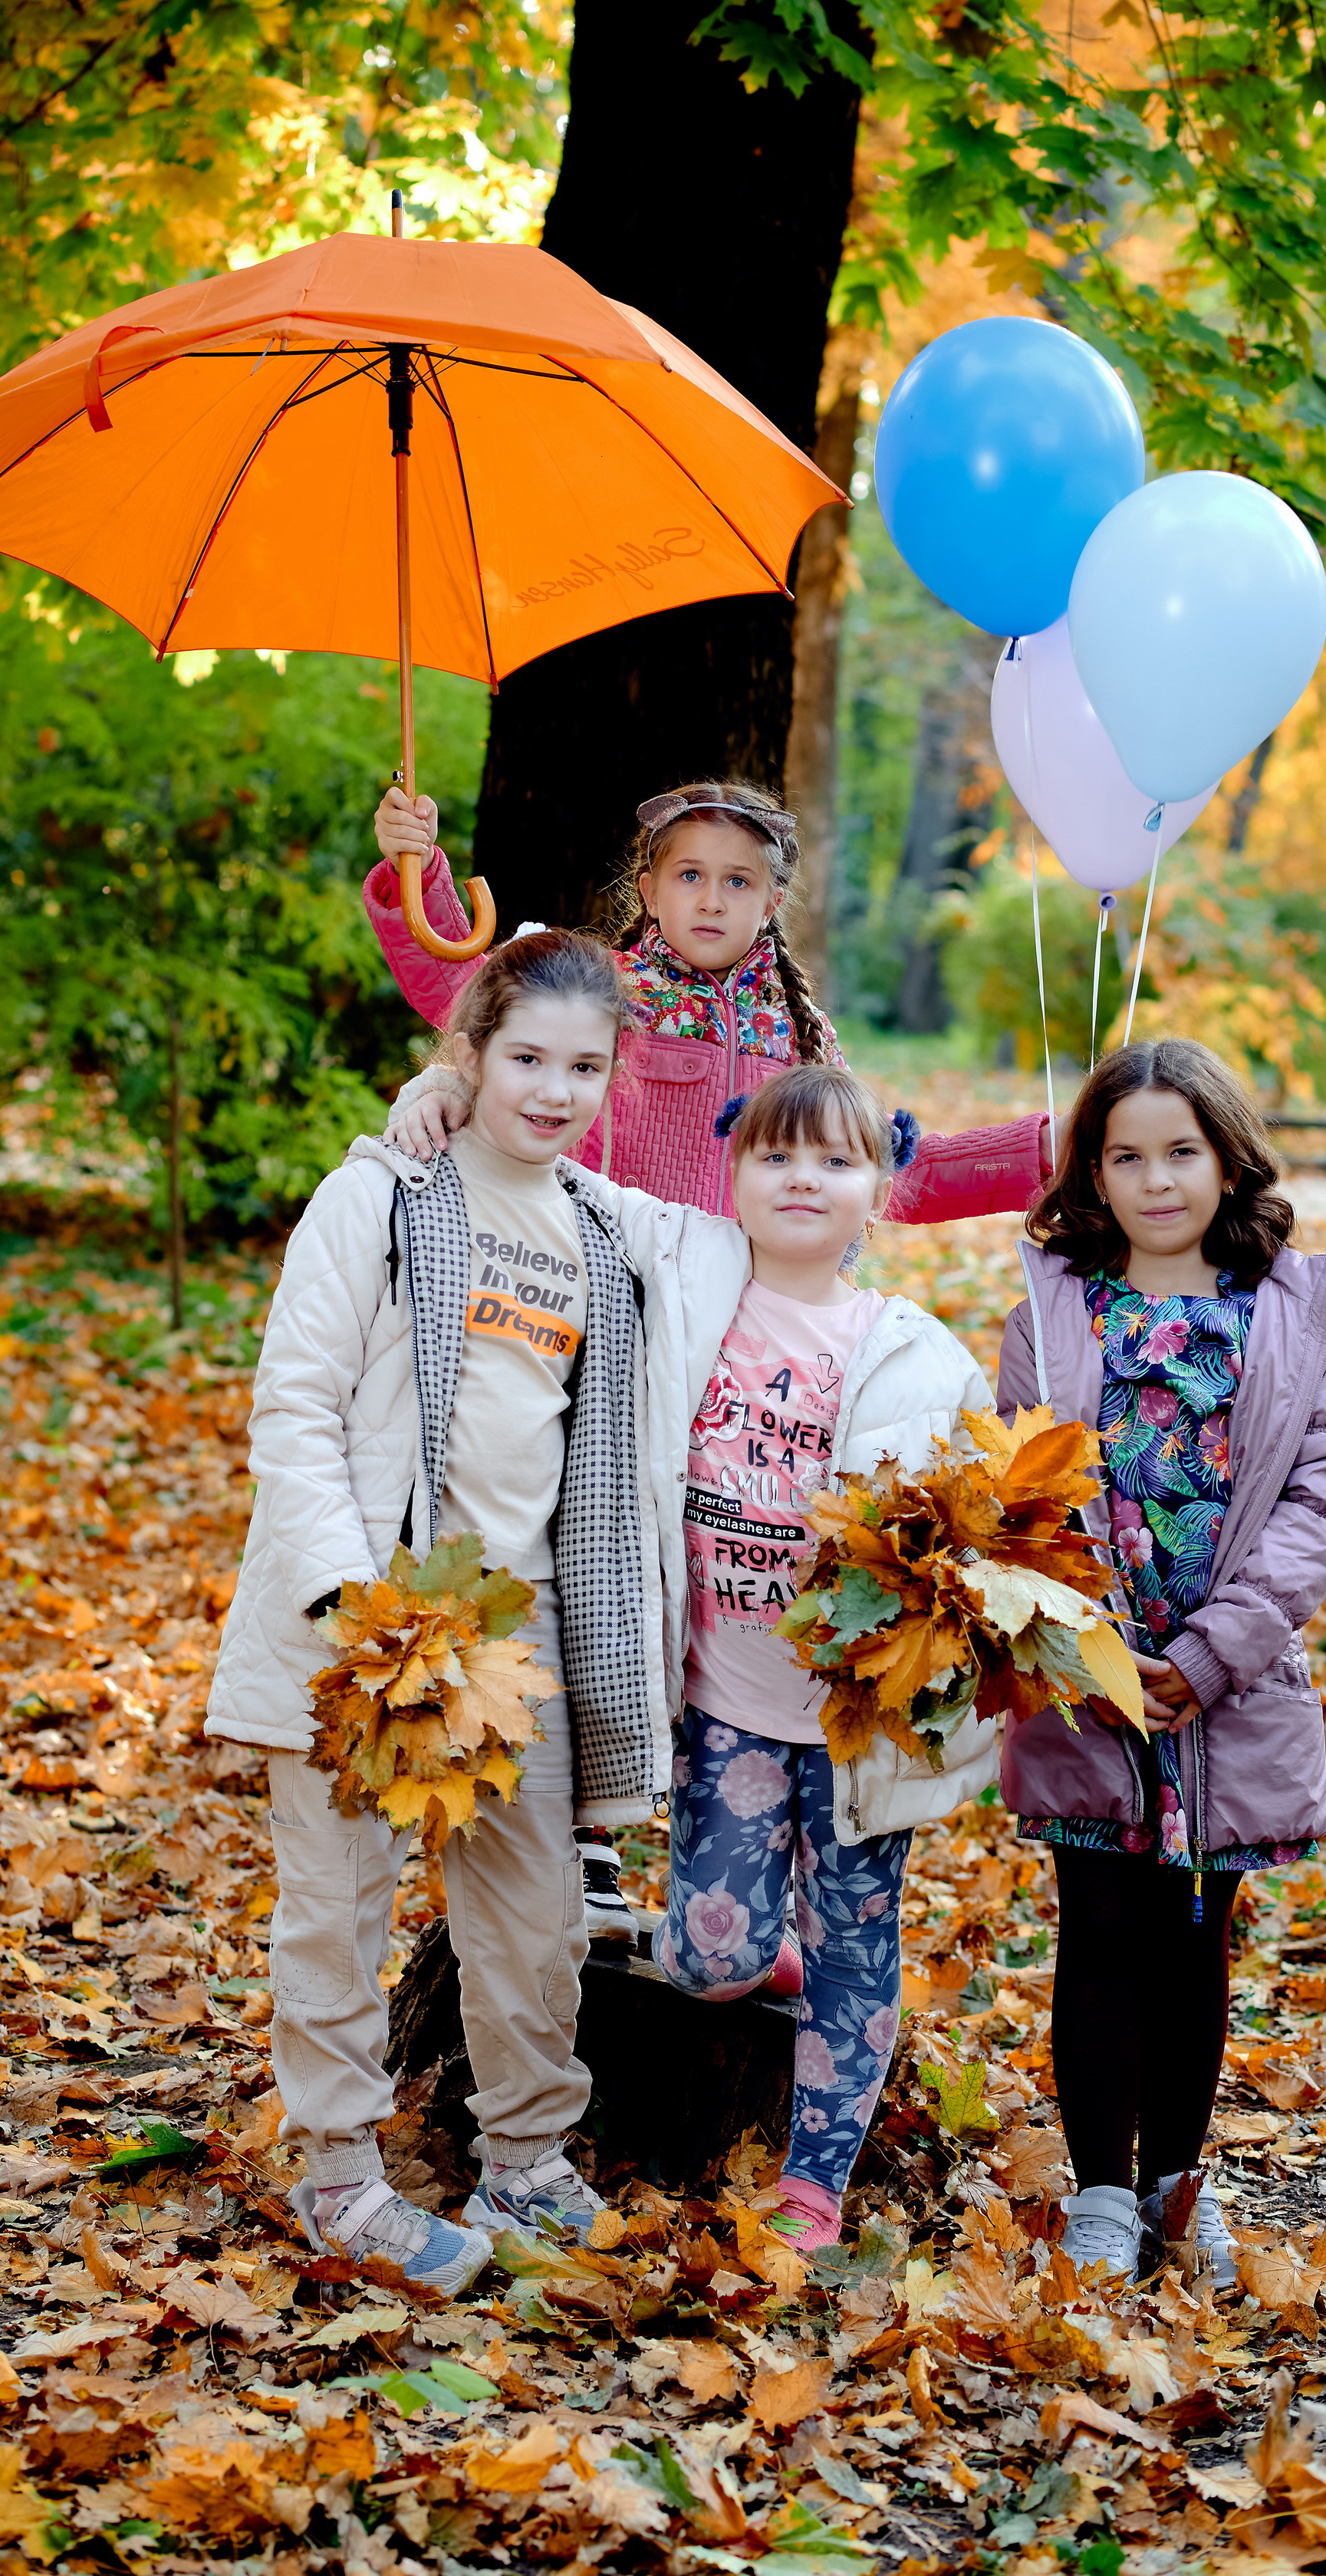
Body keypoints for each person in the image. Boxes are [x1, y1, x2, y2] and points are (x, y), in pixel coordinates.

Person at [370, 776, 1053, 1935]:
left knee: (705, 1592)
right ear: (647, 886)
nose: (710, 898)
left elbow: (893, 1166)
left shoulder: (796, 1038)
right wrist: (415, 874)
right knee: (589, 1573)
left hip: (736, 1356)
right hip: (600, 1321)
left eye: (738, 881)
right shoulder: (602, 993)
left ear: (773, 901)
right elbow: (458, 990)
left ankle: (738, 1853)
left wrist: (1048, 1150)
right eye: (688, 874)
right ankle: (580, 1839)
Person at [203, 929, 676, 2293]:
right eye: (526, 1058)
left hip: (514, 1639)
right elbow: (295, 1405)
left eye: (584, 1068)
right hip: (363, 1620)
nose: (554, 1091)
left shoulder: (606, 1229)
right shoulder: (382, 1196)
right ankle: (341, 2178)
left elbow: (766, 1228)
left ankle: (527, 2160)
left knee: (535, 1923)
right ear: (468, 1055)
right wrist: (351, 1598)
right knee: (338, 1912)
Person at [995, 1037, 1326, 2285]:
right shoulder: (1055, 1318)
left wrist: (1211, 1657)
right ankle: (1102, 2192)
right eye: (1127, 1156)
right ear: (1094, 1174)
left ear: (1227, 1161)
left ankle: (1175, 2184)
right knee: (1099, 1924)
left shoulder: (1290, 1320)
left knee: (1193, 1934)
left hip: (1224, 1685)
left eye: (1181, 1153)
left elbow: (1320, 1499)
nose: (1157, 1180)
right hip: (1087, 1676)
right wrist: (1086, 1645)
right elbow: (1016, 1489)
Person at [643, 1063, 999, 2249]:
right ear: (732, 1172)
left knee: (855, 1940)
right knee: (711, 1961)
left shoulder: (917, 1353)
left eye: (836, 1160)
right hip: (725, 1701)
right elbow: (561, 1186)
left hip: (857, 1723)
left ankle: (815, 2179)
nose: (804, 1178)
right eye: (777, 1154)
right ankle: (761, 1951)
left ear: (880, 1189)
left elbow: (974, 1527)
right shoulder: (686, 1303)